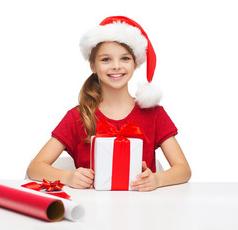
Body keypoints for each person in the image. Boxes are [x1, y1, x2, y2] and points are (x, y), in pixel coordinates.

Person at [27, 16, 191, 192]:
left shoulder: (154, 114)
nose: (116, 66)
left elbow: (183, 170)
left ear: (135, 63)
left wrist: (157, 180)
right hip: (91, 212)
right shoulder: (77, 116)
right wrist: (69, 177)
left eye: (125, 58)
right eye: (106, 59)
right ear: (93, 66)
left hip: (142, 212)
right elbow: (35, 168)